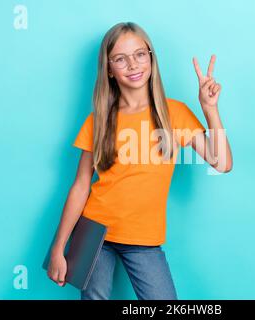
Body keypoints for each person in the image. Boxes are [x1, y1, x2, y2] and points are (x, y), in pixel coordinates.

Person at [47, 21, 233, 300]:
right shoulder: (98, 120)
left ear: (151, 58)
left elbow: (222, 163)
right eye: (120, 59)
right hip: (95, 232)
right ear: (109, 69)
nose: (133, 65)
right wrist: (58, 248)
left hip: (144, 239)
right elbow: (81, 186)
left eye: (139, 54)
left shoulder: (176, 113)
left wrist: (210, 110)